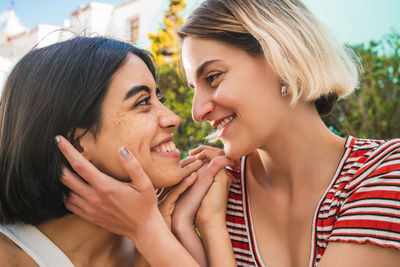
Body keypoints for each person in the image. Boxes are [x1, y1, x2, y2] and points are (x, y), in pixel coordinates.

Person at [57, 0, 400, 266]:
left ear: (284, 59)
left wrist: (146, 230)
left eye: (213, 78)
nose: (196, 111)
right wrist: (206, 226)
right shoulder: (217, 193)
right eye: (194, 87)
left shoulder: (386, 173)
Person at [0, 36, 221, 266]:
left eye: (159, 98)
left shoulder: (169, 232)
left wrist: (154, 235)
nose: (172, 118)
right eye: (143, 101)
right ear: (76, 142)